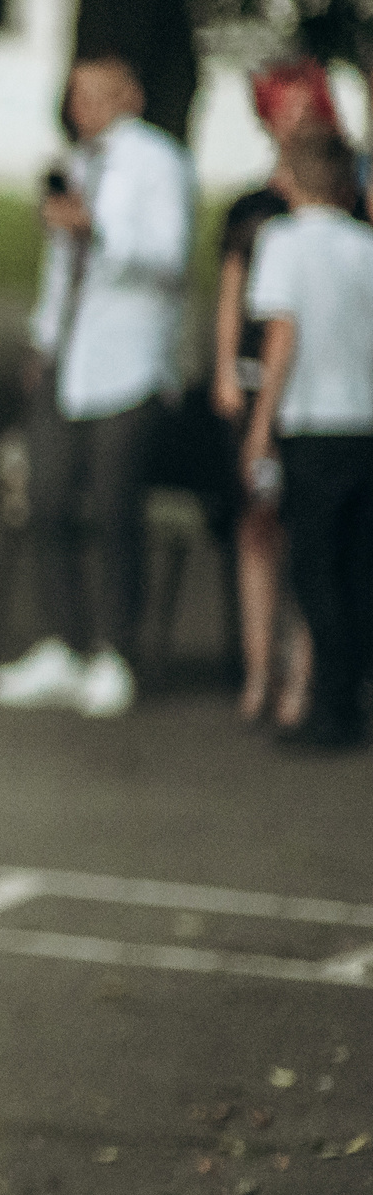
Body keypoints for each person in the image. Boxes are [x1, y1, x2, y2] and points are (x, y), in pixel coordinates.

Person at [0, 56, 194, 719]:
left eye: (101, 94)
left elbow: (169, 254)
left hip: (127, 358)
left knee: (114, 504)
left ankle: (116, 649)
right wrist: (41, 341)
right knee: (45, 495)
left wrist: (97, 227)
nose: (88, 107)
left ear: (130, 95)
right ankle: (63, 639)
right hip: (66, 354)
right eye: (78, 96)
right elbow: (59, 268)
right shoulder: (72, 161)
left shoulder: (157, 161)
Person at [210, 59, 343, 727]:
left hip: (322, 394)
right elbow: (236, 299)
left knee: (316, 541)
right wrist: (225, 372)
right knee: (261, 526)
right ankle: (262, 669)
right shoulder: (254, 212)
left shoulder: (343, 201)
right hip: (270, 387)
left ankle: (305, 675)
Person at [243, 129, 373, 751]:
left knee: (315, 572)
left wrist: (260, 426)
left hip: (313, 422)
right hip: (364, 422)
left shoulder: (283, 243)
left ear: (287, 179)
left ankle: (331, 706)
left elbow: (282, 336)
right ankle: (347, 697)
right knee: (355, 566)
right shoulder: (365, 248)